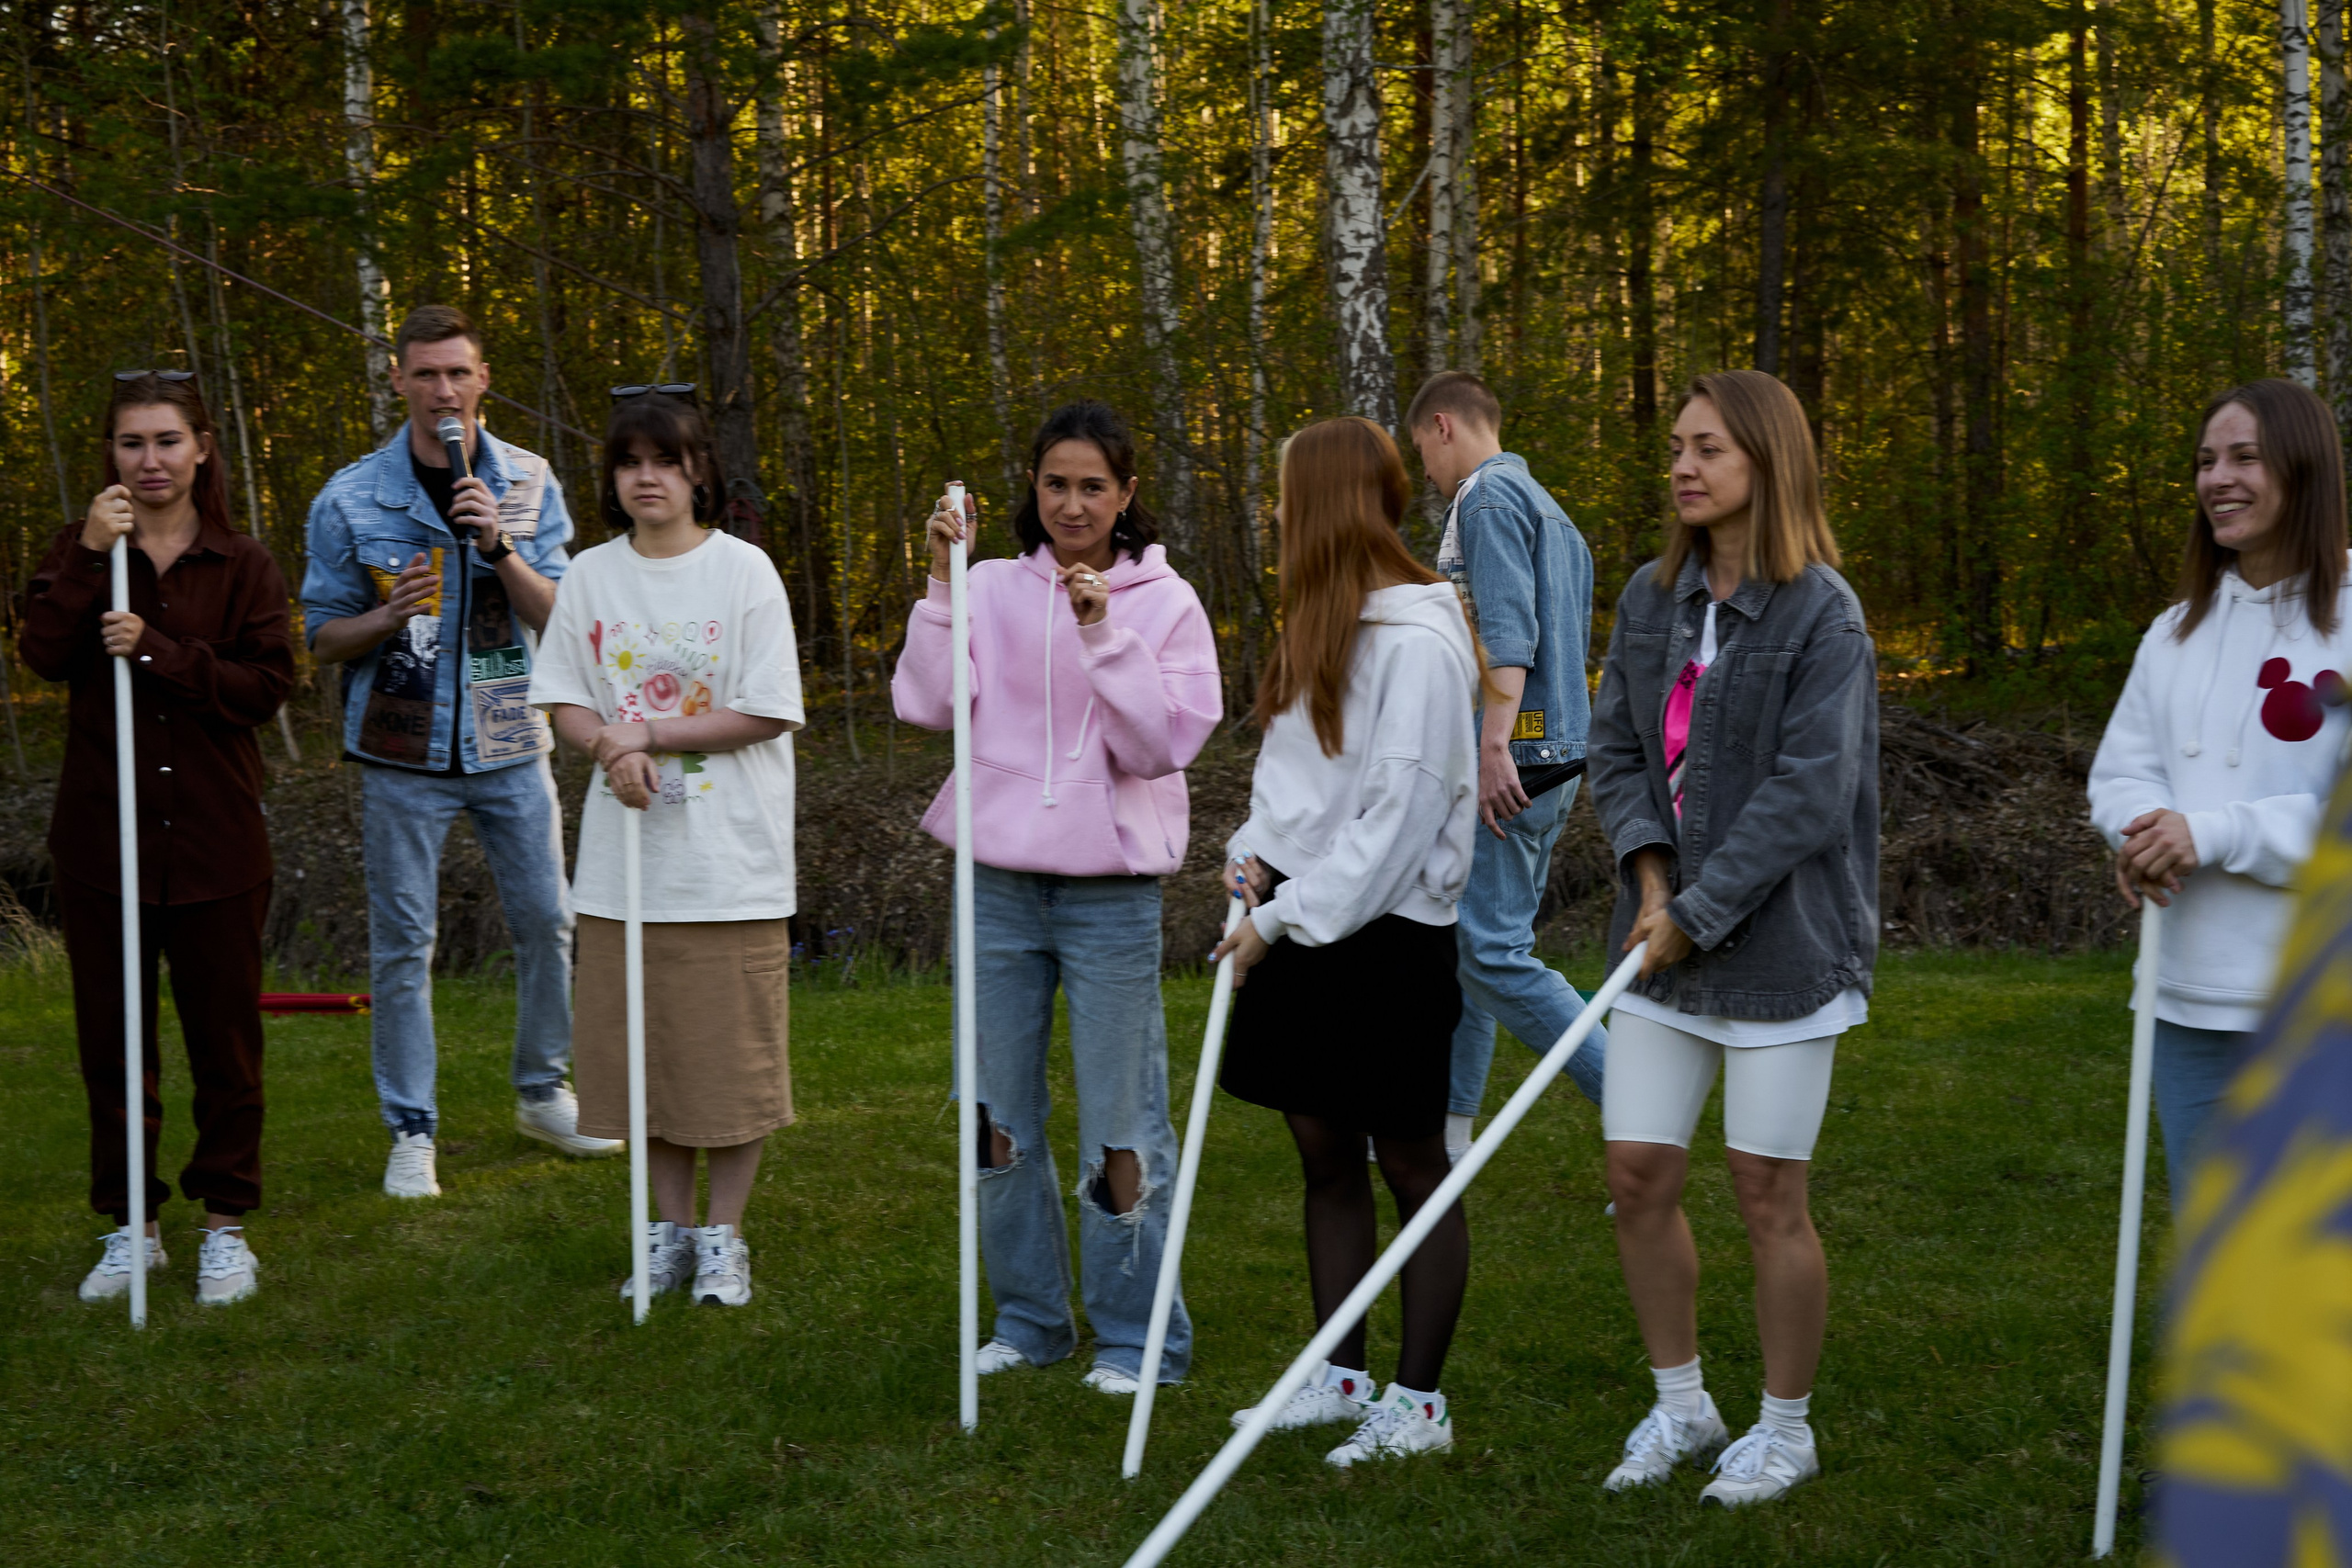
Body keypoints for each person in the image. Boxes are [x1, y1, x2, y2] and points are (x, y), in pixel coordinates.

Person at [1585, 368, 1876, 1506]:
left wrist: (1696, 913)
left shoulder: (1823, 614)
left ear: (1768, 460)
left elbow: (1810, 793)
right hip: (1658, 940)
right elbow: (1618, 751)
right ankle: (1681, 1405)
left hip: (1781, 953)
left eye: (1707, 447)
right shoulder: (1652, 600)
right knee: (1636, 1173)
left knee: (1767, 1195)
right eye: (1675, 448)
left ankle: (1784, 1429)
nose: (1682, 467)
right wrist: (1653, 877)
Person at [890, 400, 1221, 1393]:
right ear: (1030, 492)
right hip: (995, 882)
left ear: (1125, 496)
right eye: (1054, 484)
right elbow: (929, 705)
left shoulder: (1166, 603)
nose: (1072, 503)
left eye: (1092, 486)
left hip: (1109, 894)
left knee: (1123, 1122)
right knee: (996, 1117)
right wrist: (943, 587)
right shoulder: (988, 585)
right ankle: (1031, 1320)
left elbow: (1158, 746)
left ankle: (1138, 1339)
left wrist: (1102, 633)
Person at [1214, 415, 1484, 1467]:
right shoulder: (1318, 624)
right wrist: (1249, 865)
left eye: (1286, 498)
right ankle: (1336, 1374)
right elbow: (1287, 790)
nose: (1276, 517)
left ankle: (1418, 1404)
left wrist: (1279, 921)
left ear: (1326, 505)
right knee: (1321, 1150)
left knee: (1411, 1158)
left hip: (1387, 937)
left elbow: (1394, 825)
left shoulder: (1420, 642)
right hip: (1298, 925)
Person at [301, 304, 619, 1199]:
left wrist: (500, 543)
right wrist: (387, 616)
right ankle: (411, 1128)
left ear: (483, 380)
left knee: (548, 923)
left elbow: (566, 619)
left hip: (511, 740)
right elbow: (323, 638)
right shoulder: (349, 498)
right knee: (405, 943)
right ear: (399, 380)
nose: (443, 391)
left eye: (458, 373)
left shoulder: (528, 482)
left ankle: (541, 1092)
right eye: (425, 374)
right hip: (399, 755)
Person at [20, 370, 294, 1306]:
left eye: (168, 440)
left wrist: (160, 651)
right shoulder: (84, 549)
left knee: (225, 1043)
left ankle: (225, 1226)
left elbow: (264, 690)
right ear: (111, 454)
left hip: (217, 840)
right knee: (114, 1044)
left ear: (203, 447)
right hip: (105, 840)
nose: (151, 461)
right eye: (132, 443)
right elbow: (43, 654)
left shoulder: (244, 564)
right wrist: (93, 557)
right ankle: (131, 1227)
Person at [528, 389, 804, 1306]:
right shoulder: (592, 578)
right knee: (641, 1062)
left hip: (729, 866)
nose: (647, 478)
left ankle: (725, 1237)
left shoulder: (745, 573)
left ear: (697, 472)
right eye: (629, 463)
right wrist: (609, 744)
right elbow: (565, 695)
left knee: (728, 1064)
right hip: (626, 869)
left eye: (666, 460)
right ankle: (668, 1231)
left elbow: (767, 707)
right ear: (613, 478)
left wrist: (646, 736)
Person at [2087, 377, 2351, 1206]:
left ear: (2304, 469)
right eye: (2206, 461)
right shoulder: (2173, 633)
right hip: (2188, 993)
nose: (2217, 479)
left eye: (2245, 457)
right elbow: (2123, 769)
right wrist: (2144, 828)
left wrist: (2217, 831)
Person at [1406, 369, 1608, 1162]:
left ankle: (1637, 1110)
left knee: (1492, 952)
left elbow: (1510, 635)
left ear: (1444, 425)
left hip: (1515, 758)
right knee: (1474, 949)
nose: (1424, 468)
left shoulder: (1484, 500)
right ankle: (1450, 1140)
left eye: (1421, 446)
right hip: (1555, 754)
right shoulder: (1553, 511)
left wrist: (1493, 748)